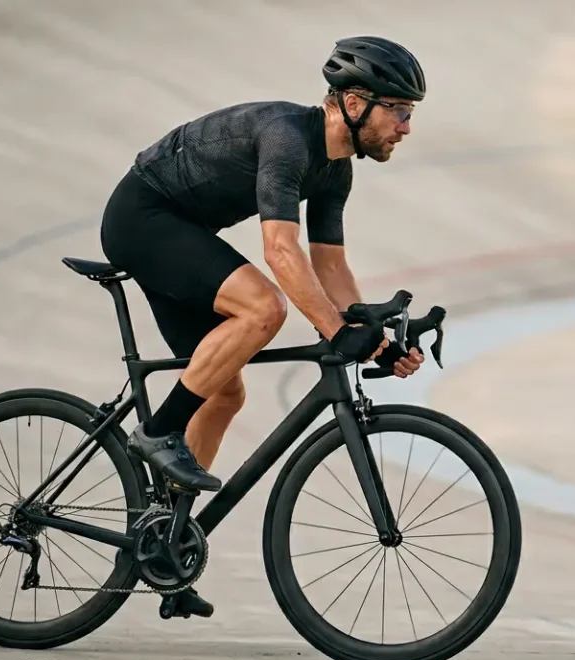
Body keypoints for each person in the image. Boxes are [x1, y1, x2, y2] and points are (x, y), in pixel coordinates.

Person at [97, 36, 428, 617]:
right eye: (399, 110)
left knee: (224, 390)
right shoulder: (287, 138)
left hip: (186, 235)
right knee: (264, 308)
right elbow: (281, 252)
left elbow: (329, 266)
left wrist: (370, 333)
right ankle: (158, 433)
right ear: (354, 103)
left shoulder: (337, 170)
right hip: (144, 218)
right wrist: (332, 330)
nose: (405, 126)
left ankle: (166, 544)